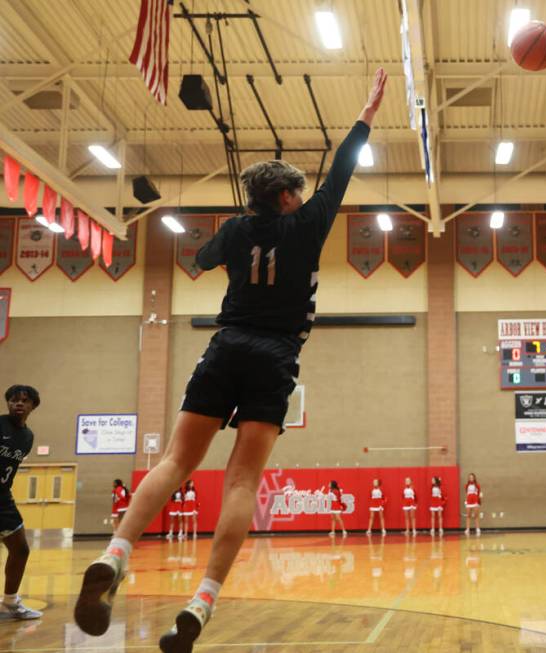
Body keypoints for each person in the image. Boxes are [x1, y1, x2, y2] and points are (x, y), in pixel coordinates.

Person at [73, 68, 388, 649]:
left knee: (174, 462)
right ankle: (201, 602)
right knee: (242, 482)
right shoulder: (309, 224)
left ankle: (115, 555)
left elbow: (202, 255)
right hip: (276, 358)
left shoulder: (238, 230)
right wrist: (366, 112)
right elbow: (343, 168)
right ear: (289, 197)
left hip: (226, 345)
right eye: (297, 191)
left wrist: (238, 237)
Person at [0, 385, 43, 620]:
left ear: (33, 406)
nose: (18, 404)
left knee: (20, 549)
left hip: (3, 498)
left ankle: (10, 602)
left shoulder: (28, 437)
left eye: (24, 401)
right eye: (14, 400)